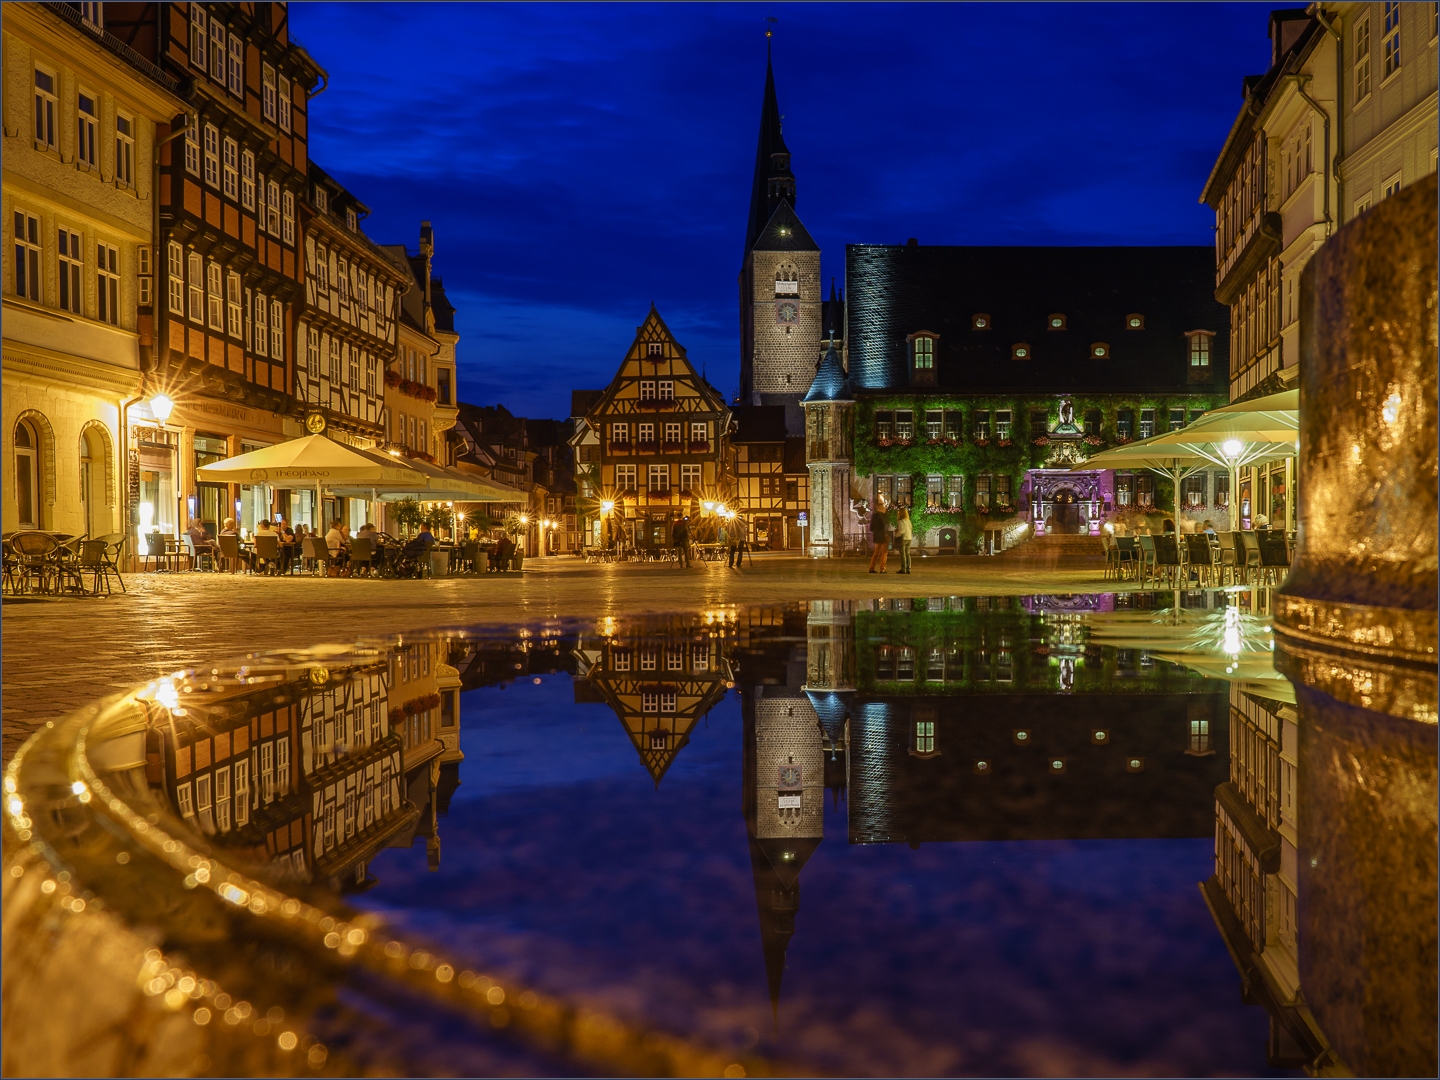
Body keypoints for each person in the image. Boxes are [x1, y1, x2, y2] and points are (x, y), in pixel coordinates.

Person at [868, 499, 890, 573]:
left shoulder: (874, 516)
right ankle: (882, 568)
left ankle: (871, 567)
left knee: (876, 552)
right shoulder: (885, 516)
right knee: (884, 552)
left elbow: (871, 528)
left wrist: (876, 531)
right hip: (884, 535)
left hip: (877, 536)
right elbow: (886, 526)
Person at [896, 504, 914, 574]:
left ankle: (903, 569)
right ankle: (909, 568)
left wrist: (897, 534)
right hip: (909, 538)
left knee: (903, 554)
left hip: (903, 539)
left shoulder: (901, 521)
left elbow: (901, 531)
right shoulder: (908, 521)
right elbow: (911, 528)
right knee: (907, 554)